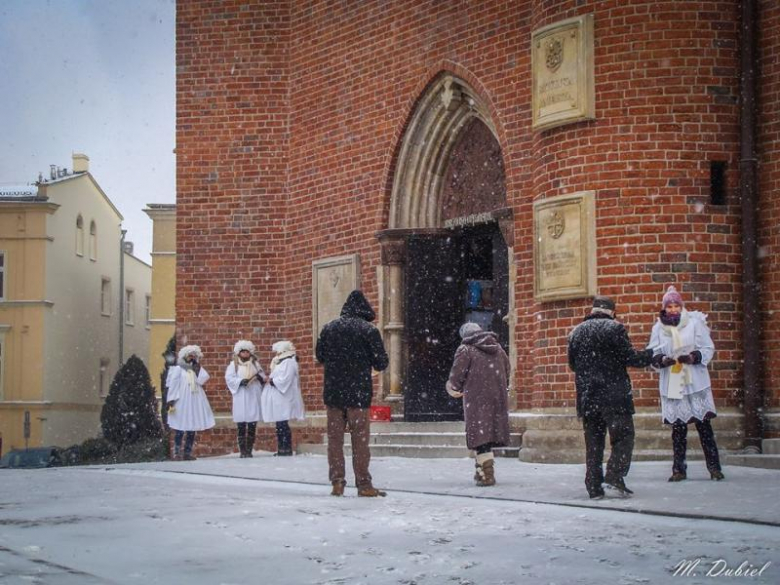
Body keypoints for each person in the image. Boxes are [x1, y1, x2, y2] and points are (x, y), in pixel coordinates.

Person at [567, 296, 653, 498]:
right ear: (612, 312)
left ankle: (593, 486)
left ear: (592, 310)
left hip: (588, 397)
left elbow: (573, 364)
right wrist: (650, 354)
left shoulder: (576, 332)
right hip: (614, 396)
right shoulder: (615, 328)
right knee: (623, 437)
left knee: (594, 443)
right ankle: (614, 475)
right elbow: (629, 357)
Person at [315, 290, 389, 497]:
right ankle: (364, 484)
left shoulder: (329, 328)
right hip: (359, 392)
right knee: (360, 440)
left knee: (335, 440)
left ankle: (337, 482)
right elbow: (381, 362)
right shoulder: (368, 330)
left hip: (334, 392)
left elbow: (320, 355)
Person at [648, 286, 724, 482]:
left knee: (703, 425)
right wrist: (662, 360)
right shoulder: (659, 328)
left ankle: (714, 467)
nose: (673, 309)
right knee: (678, 428)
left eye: (676, 305)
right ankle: (678, 469)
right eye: (669, 306)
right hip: (673, 378)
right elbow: (653, 352)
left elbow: (707, 347)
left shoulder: (694, 323)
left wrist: (693, 356)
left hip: (694, 379)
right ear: (664, 308)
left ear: (681, 306)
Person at [446, 322, 511, 486]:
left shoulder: (466, 349)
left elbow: (457, 374)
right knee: (487, 434)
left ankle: (486, 474)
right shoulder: (498, 349)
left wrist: (453, 387)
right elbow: (507, 370)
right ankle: (481, 470)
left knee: (480, 437)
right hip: (497, 399)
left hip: (476, 399)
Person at [166, 345, 215, 461]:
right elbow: (173, 385)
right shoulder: (178, 369)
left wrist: (197, 367)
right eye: (189, 355)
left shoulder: (196, 368)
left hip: (194, 400)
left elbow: (203, 379)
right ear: (184, 356)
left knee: (192, 425)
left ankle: (187, 452)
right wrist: (171, 400)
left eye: (193, 356)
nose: (191, 357)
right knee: (180, 425)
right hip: (182, 400)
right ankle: (177, 452)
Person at [261, 340, 305, 456]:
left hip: (284, 397)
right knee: (280, 424)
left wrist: (271, 381)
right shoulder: (282, 362)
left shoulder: (289, 362)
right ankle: (282, 448)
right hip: (279, 397)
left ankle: (286, 449)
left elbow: (285, 379)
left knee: (282, 424)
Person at [225, 340, 264, 458]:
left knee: (252, 424)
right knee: (241, 425)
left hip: (252, 394)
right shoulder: (234, 365)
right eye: (243, 352)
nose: (245, 354)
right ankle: (242, 450)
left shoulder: (255, 364)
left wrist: (258, 377)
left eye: (247, 351)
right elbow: (229, 378)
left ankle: (249, 449)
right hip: (241, 396)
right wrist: (241, 381)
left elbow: (262, 376)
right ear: (239, 353)